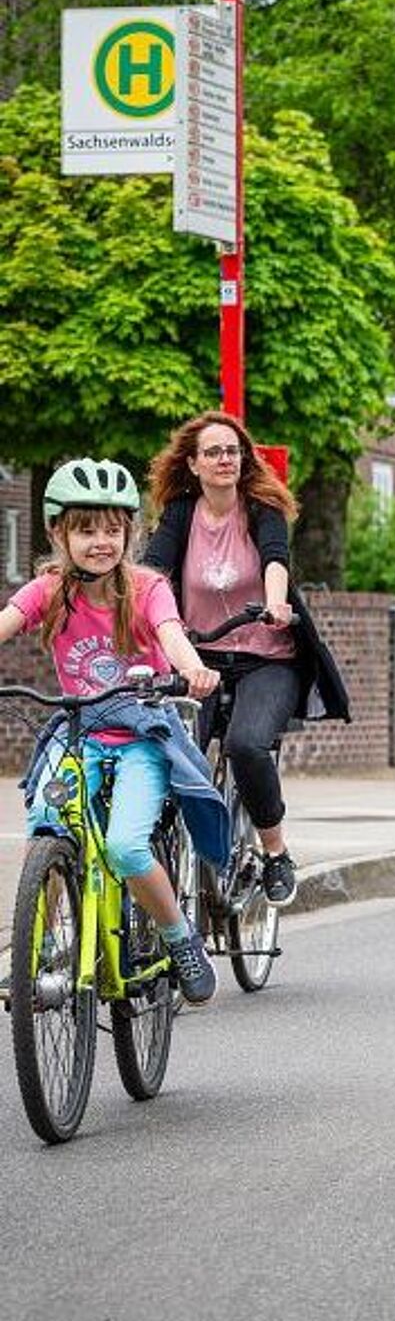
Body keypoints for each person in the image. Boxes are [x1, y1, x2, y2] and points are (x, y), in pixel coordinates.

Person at [0, 458, 224, 1005]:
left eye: (112, 529)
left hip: (140, 737)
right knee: (48, 828)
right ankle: (41, 951)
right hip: (76, 733)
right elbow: (6, 618)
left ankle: (179, 937)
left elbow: (171, 633)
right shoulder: (49, 590)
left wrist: (191, 667)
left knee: (125, 846)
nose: (101, 541)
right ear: (59, 533)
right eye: (85, 529)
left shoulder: (146, 588)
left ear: (129, 532)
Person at [143, 411, 350, 908]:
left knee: (246, 745)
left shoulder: (261, 508)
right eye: (213, 452)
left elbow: (275, 558)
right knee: (168, 750)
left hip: (266, 658)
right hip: (199, 659)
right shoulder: (181, 513)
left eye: (232, 450)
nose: (224, 460)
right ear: (192, 463)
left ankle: (275, 852)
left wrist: (277, 605)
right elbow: (153, 570)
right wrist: (139, 606)